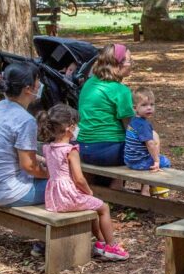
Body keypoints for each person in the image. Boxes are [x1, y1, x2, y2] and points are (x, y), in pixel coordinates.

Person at [37, 104, 128, 261]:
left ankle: (100, 242)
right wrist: (88, 191)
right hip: (68, 197)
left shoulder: (48, 148)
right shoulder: (70, 150)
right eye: (77, 125)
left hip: (54, 198)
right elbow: (79, 179)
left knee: (91, 207)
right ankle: (111, 245)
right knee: (103, 207)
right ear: (70, 128)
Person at [0, 62, 49, 207]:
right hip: (10, 193)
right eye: (37, 80)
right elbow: (29, 167)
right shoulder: (25, 120)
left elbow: (10, 150)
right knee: (69, 184)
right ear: (28, 89)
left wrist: (42, 159)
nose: (40, 84)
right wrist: (52, 174)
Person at [77, 43, 134, 167]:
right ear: (119, 63)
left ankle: (116, 185)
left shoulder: (89, 84)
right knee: (155, 156)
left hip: (84, 149)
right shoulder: (121, 91)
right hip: (109, 151)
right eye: (130, 61)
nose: (132, 64)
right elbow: (129, 127)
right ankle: (148, 187)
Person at [124, 87, 172, 171]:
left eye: (152, 104)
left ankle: (149, 184)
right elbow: (150, 144)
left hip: (129, 160)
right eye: (144, 105)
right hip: (140, 162)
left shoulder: (133, 120)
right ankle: (156, 182)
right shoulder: (143, 125)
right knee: (165, 161)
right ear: (135, 108)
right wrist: (157, 161)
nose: (149, 108)